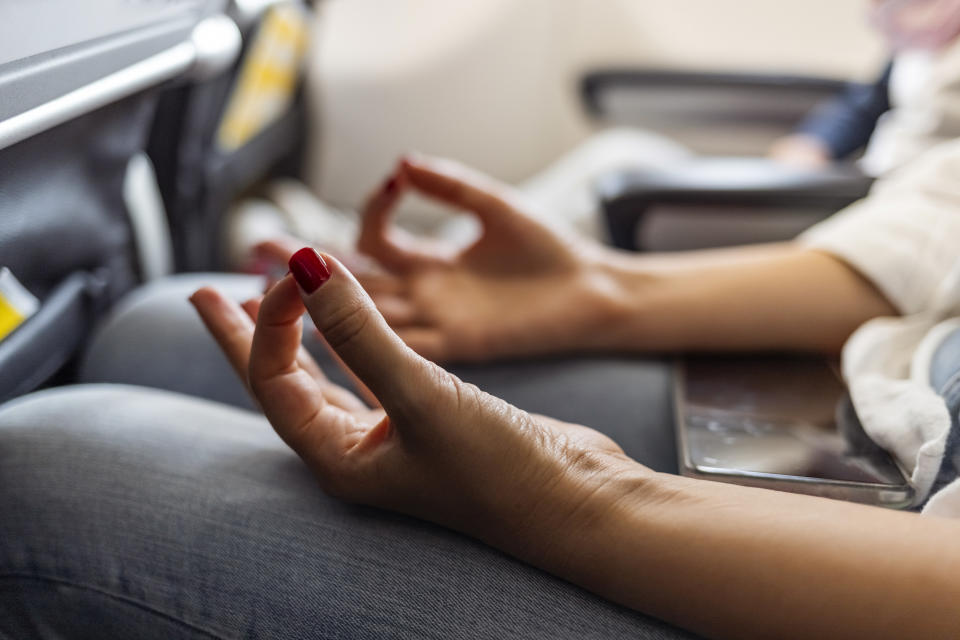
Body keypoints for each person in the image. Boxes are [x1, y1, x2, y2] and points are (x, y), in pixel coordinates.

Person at [5, 144, 960, 639]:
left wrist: (579, 494)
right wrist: (601, 298)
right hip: (902, 413)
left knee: (37, 475)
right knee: (161, 329)